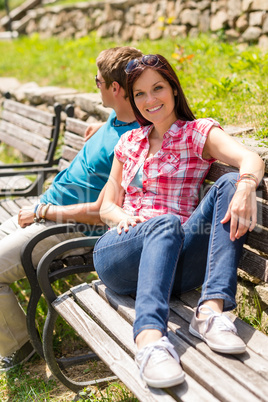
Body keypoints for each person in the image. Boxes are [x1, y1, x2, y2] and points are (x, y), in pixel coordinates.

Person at [93, 54, 265, 388]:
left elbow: (249, 158)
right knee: (165, 222)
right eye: (139, 94)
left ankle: (211, 312)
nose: (149, 100)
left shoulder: (197, 133)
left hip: (177, 264)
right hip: (122, 255)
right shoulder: (128, 143)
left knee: (228, 183)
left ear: (173, 88)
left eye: (157, 88)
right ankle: (149, 341)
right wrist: (124, 215)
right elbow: (106, 207)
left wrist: (246, 185)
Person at [0, 46, 142, 372]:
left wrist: (44, 213)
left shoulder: (133, 141)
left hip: (71, 228)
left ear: (115, 89)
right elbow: (113, 126)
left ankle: (20, 345)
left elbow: (104, 211)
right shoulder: (118, 116)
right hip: (47, 212)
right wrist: (99, 128)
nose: (95, 85)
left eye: (98, 82)